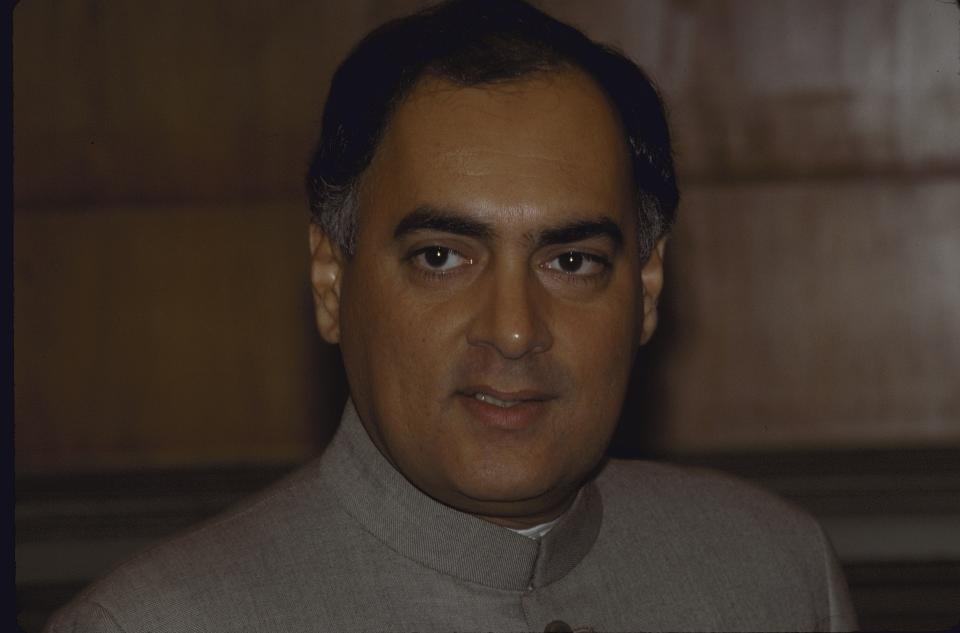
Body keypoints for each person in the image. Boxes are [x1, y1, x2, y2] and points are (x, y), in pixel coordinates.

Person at [45, 1, 857, 631]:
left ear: (645, 290)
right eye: (442, 256)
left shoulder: (775, 576)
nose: (511, 329)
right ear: (332, 281)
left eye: (570, 261)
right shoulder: (155, 622)